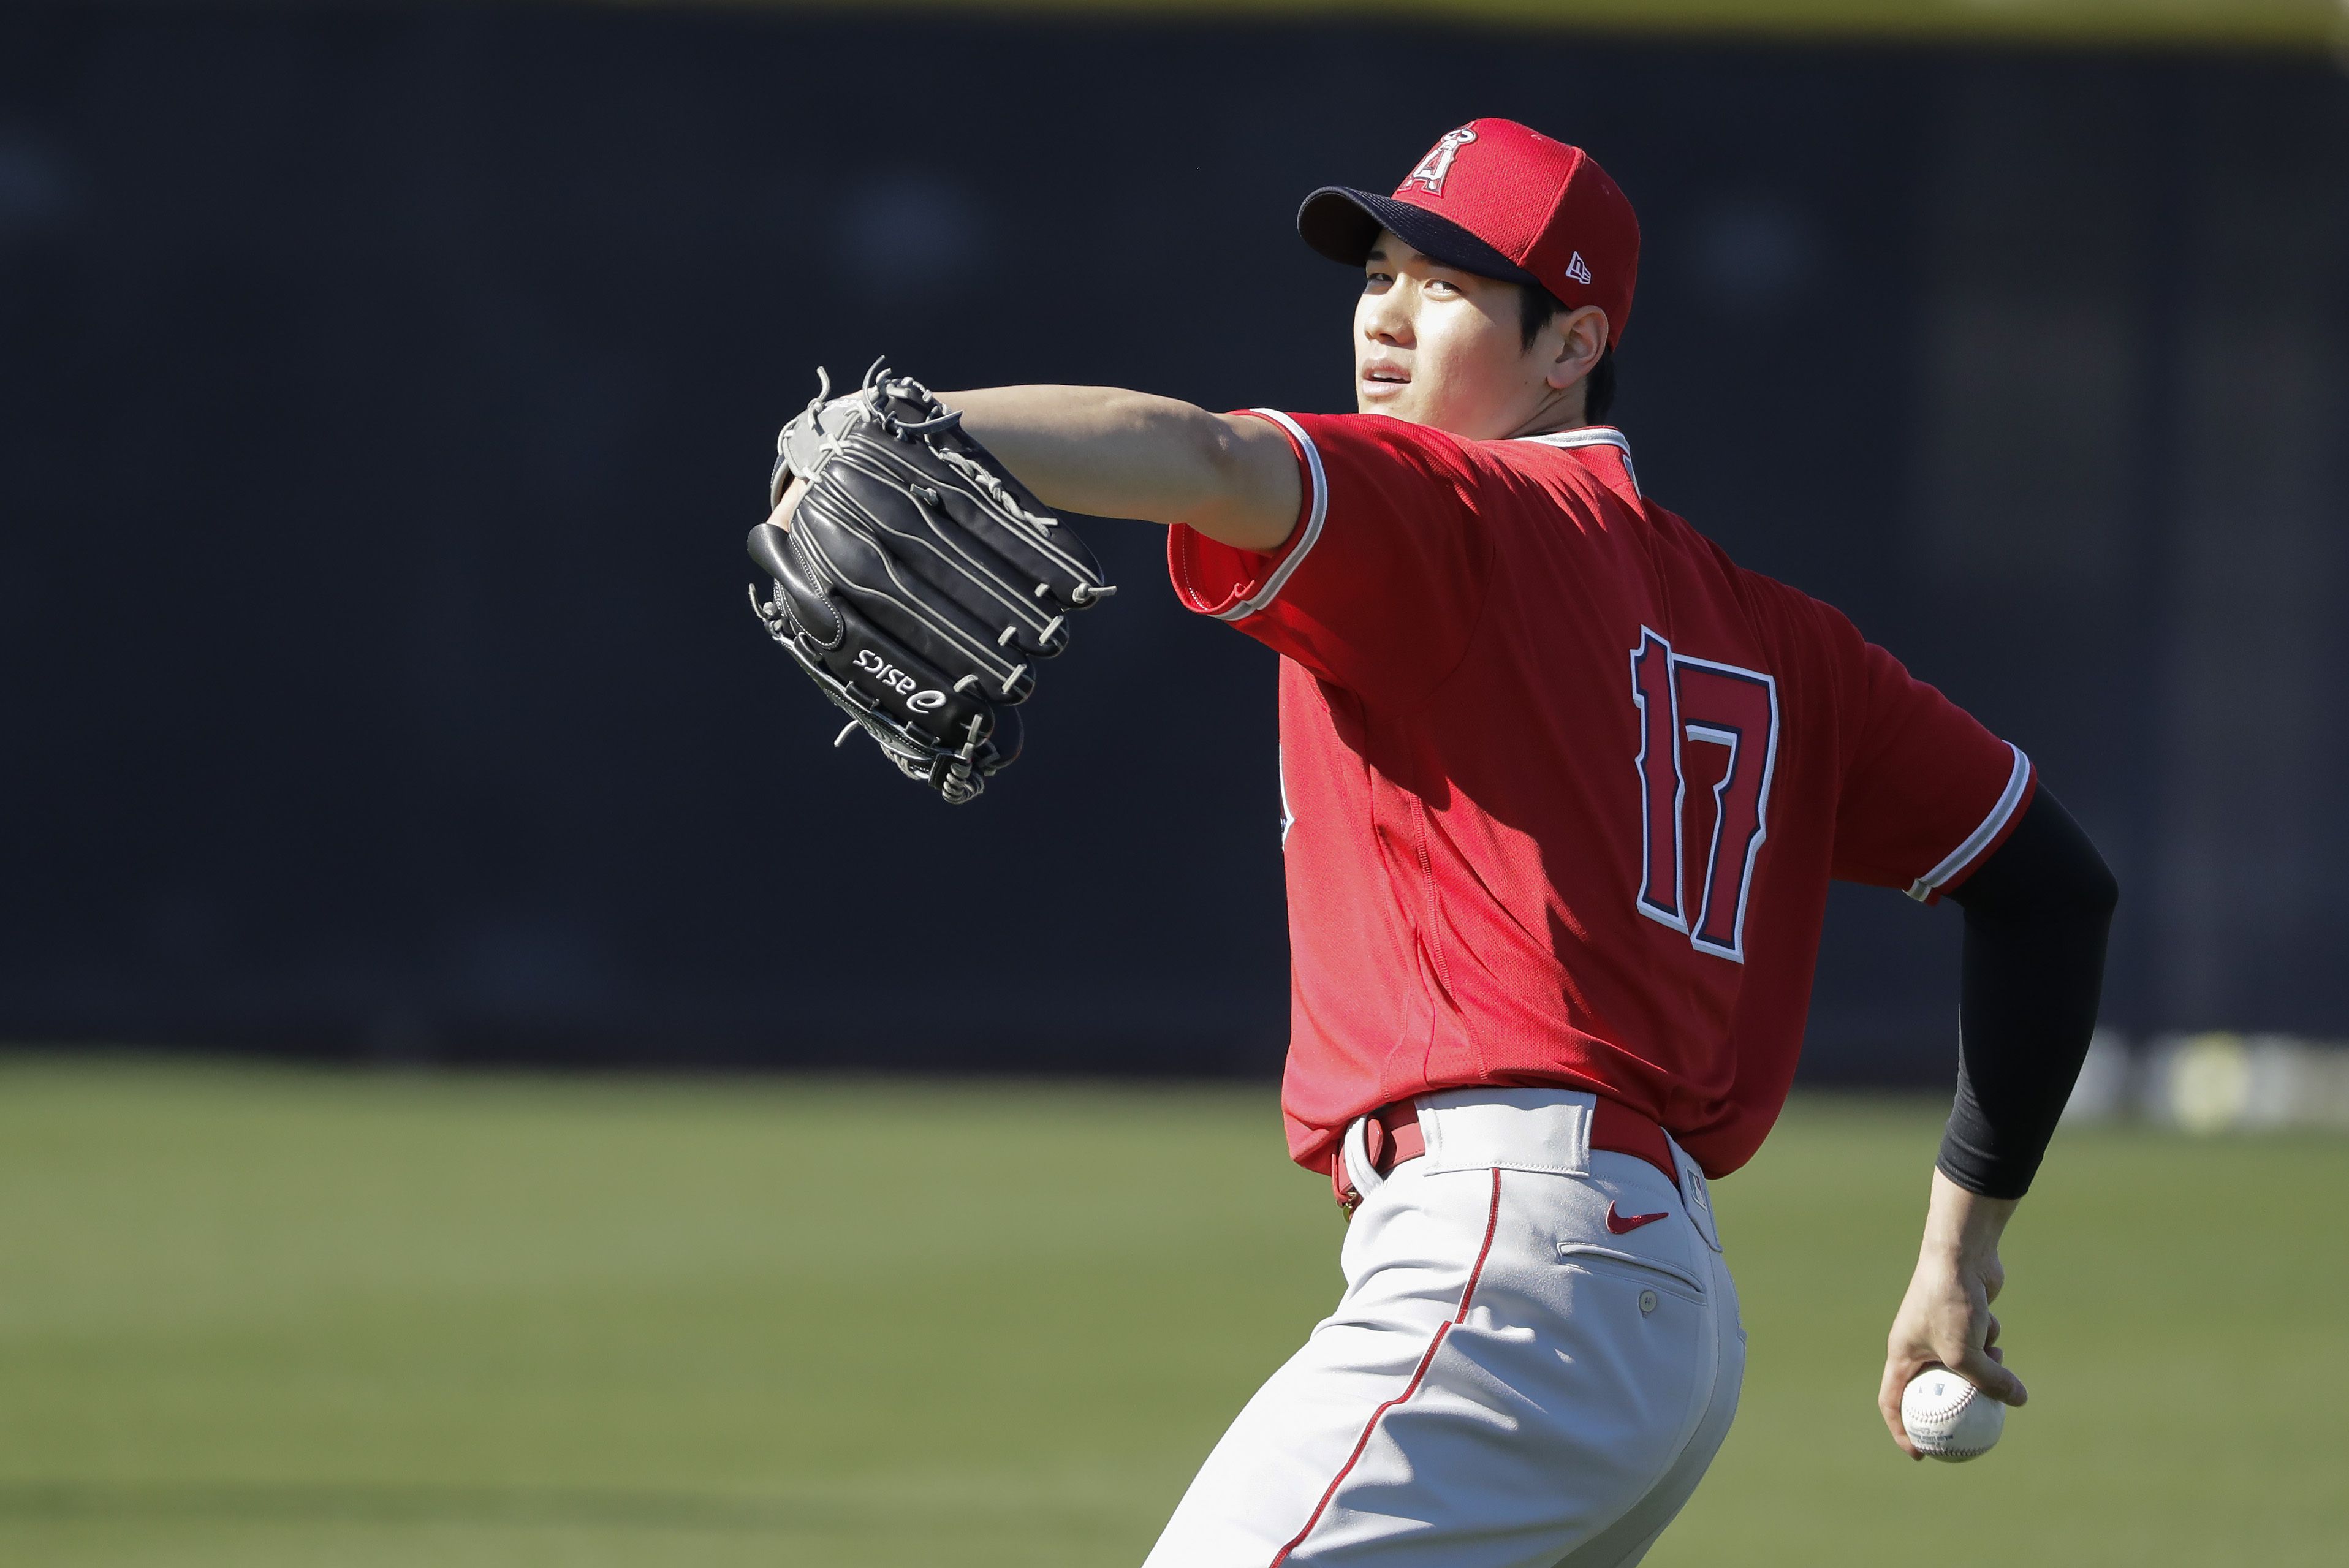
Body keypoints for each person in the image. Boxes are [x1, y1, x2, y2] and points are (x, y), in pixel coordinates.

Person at [794, 118, 2119, 1567]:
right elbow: (2050, 885)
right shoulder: (1781, 641)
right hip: (1664, 1318)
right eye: (1378, 269)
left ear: (1573, 346)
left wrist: (905, 427)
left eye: (1449, 282)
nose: (1385, 312)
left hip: (1507, 1263)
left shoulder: (1452, 506)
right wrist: (1958, 1250)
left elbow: (1205, 455)